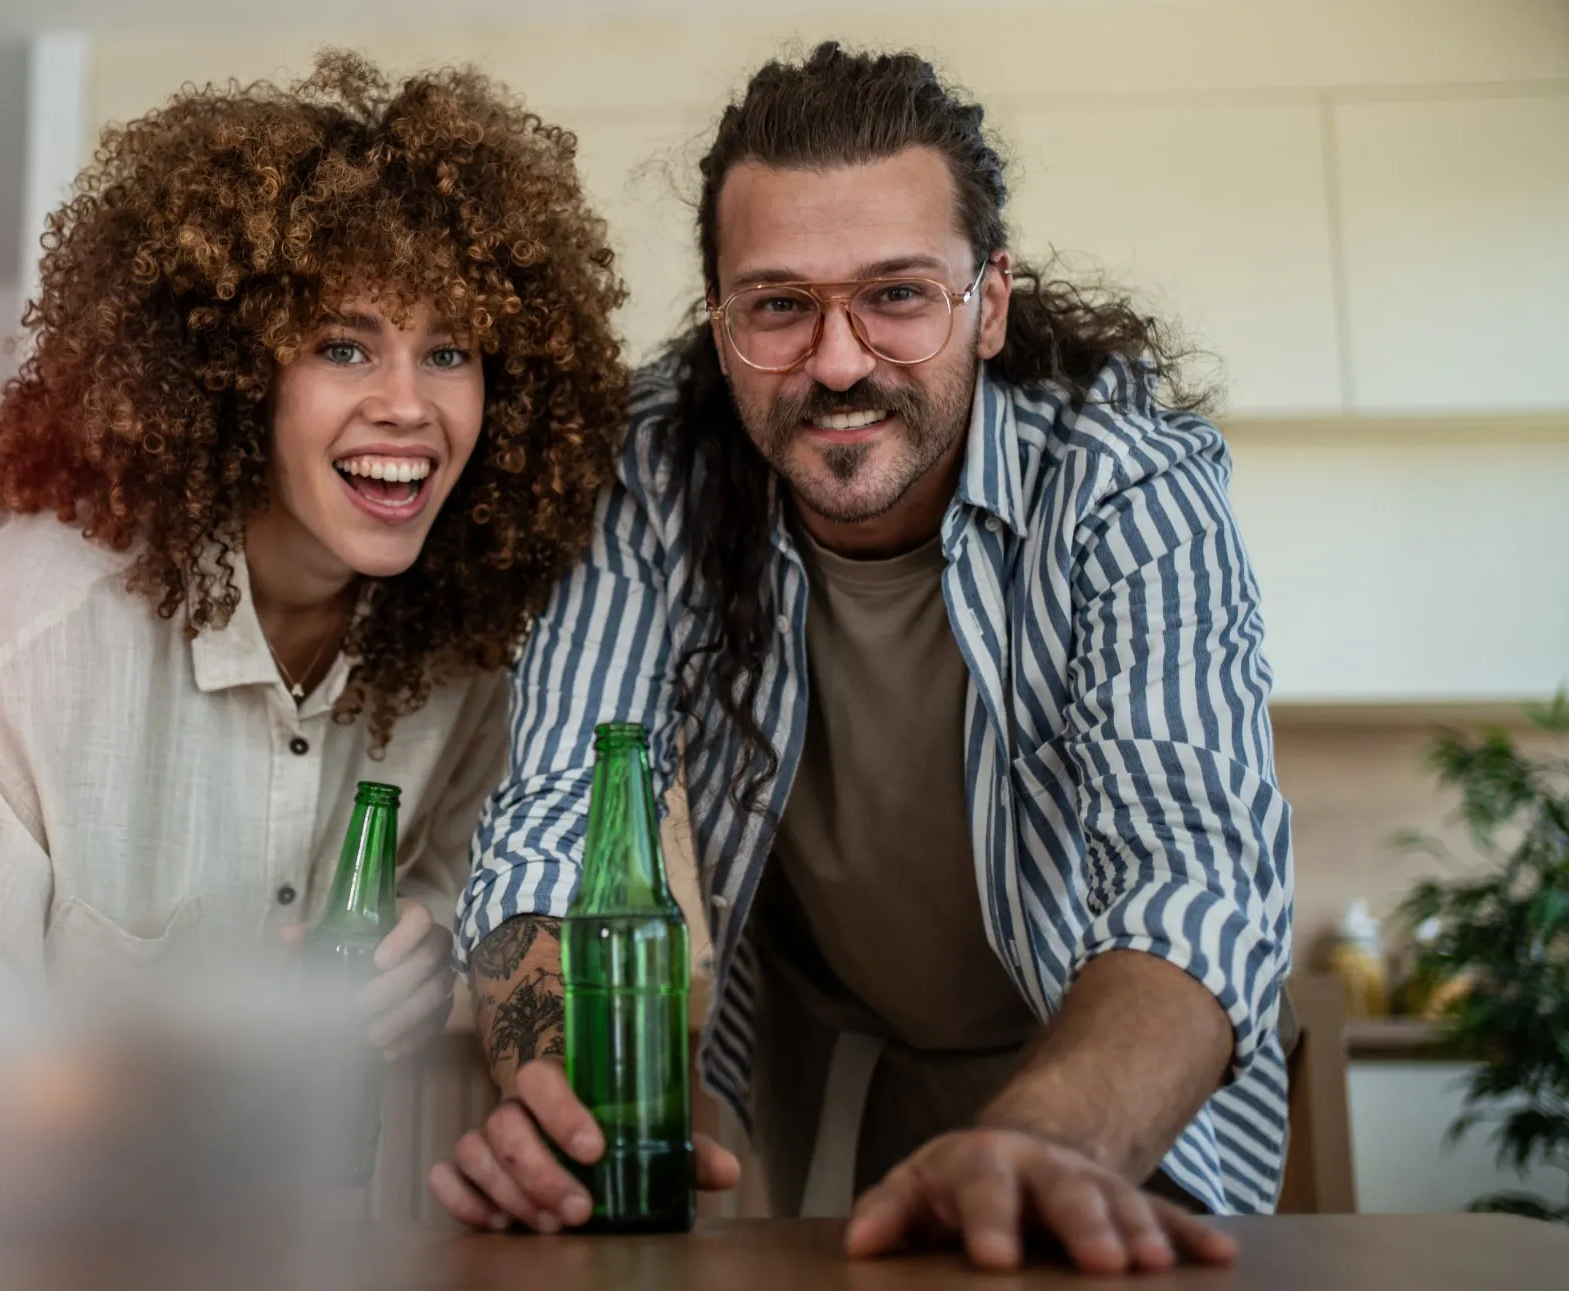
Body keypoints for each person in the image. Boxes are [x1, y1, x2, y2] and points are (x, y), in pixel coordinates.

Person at [432, 43, 1293, 1274]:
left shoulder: (1126, 483)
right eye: (779, 306)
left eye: (896, 295)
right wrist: (556, 1092)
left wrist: (1039, 1140)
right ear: (720, 320)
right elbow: (560, 809)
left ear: (988, 303)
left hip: (1104, 1093)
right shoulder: (651, 469)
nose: (838, 363)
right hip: (831, 1075)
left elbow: (1194, 877)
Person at [0, 53, 627, 1064]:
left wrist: (425, 952)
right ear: (235, 372)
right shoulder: (53, 610)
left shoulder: (467, 652)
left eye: (450, 353)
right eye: (343, 346)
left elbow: (448, 892)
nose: (408, 404)